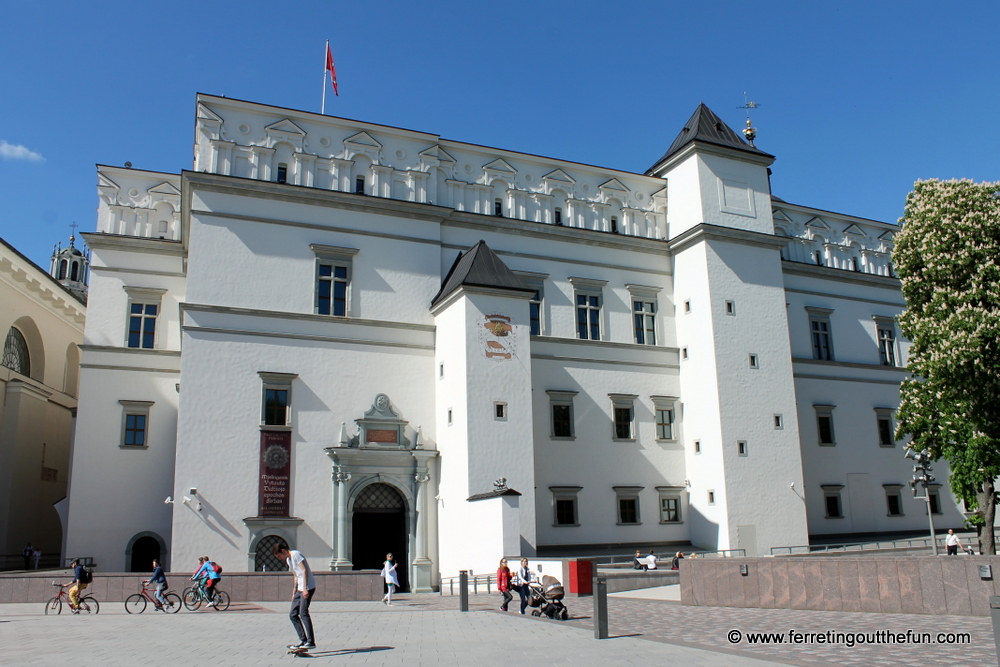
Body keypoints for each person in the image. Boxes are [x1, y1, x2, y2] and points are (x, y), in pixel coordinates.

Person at [271, 541, 316, 651]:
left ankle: (311, 642)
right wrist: (294, 591)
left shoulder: (296, 555)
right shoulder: (288, 559)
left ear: (283, 551)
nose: (279, 558)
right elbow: (296, 575)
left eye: (279, 556)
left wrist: (305, 589)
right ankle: (303, 640)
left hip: (308, 587)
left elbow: (304, 570)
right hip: (299, 589)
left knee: (303, 613)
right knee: (292, 614)